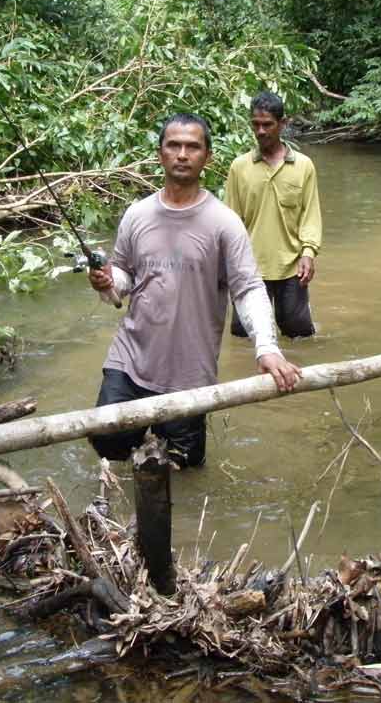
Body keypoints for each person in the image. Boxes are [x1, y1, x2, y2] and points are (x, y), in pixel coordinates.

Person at [87, 112, 301, 467]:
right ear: (160, 154)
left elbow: (248, 288)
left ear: (207, 157)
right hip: (129, 363)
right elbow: (124, 278)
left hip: (190, 375)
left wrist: (267, 350)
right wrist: (108, 281)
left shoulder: (224, 223)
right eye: (173, 145)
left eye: (192, 147)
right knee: (108, 450)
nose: (182, 154)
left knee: (182, 467)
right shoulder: (136, 214)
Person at [225, 91, 322, 339]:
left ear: (283, 124)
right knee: (244, 337)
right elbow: (230, 221)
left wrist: (308, 253)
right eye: (255, 124)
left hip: (292, 267)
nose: (260, 131)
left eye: (267, 124)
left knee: (299, 336)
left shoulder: (303, 166)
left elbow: (310, 215)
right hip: (249, 268)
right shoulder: (240, 167)